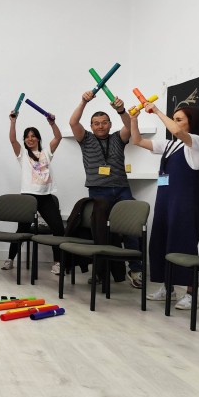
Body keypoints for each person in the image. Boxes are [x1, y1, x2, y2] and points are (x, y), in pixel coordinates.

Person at [130, 102, 199, 310]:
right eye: (174, 119)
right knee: (162, 241)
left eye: (179, 119)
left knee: (185, 244)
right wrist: (134, 119)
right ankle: (167, 288)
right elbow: (137, 140)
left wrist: (156, 111)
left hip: (184, 203)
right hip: (165, 201)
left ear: (191, 122)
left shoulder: (196, 142)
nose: (175, 123)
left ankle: (191, 293)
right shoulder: (171, 145)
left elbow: (177, 131)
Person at [69, 90, 142, 287]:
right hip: (98, 191)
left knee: (131, 228)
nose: (100, 126)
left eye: (104, 123)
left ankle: (135, 270)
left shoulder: (118, 137)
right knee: (100, 232)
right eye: (96, 123)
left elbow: (130, 126)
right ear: (91, 126)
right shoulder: (86, 139)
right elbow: (73, 123)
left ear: (110, 124)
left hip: (122, 189)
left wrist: (121, 110)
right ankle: (101, 272)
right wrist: (83, 102)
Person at [3, 110, 65, 275]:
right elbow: (12, 140)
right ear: (24, 140)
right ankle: (10, 259)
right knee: (22, 231)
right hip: (28, 198)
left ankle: (58, 262)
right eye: (27, 137)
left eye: (33, 136)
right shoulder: (22, 155)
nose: (30, 139)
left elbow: (58, 137)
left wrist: (52, 123)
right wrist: (13, 122)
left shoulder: (46, 153)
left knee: (58, 229)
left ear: (38, 138)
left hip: (45, 197)